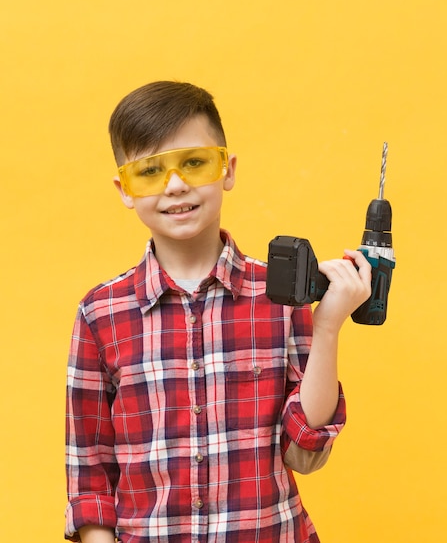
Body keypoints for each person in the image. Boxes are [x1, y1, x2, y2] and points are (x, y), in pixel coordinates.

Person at [65, 81, 371, 543]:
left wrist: (327, 326)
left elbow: (304, 453)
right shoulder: (100, 313)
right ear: (125, 189)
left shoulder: (280, 295)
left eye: (194, 162)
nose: (175, 185)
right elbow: (89, 473)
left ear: (226, 170)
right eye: (150, 171)